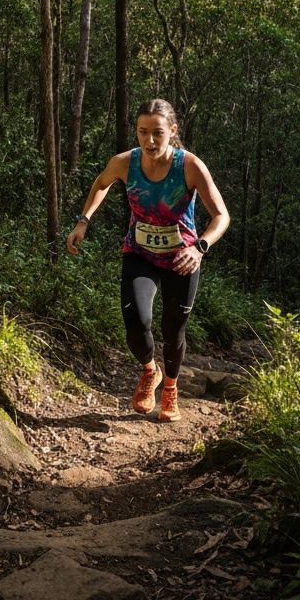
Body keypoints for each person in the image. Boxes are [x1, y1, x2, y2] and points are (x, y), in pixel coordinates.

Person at [65, 98, 230, 422]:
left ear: (172, 131)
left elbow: (221, 216)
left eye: (157, 133)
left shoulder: (190, 166)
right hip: (139, 253)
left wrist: (200, 247)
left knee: (173, 331)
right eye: (142, 132)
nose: (150, 140)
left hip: (181, 260)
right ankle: (149, 371)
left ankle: (170, 387)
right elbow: (101, 184)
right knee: (137, 324)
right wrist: (83, 220)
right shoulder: (125, 163)